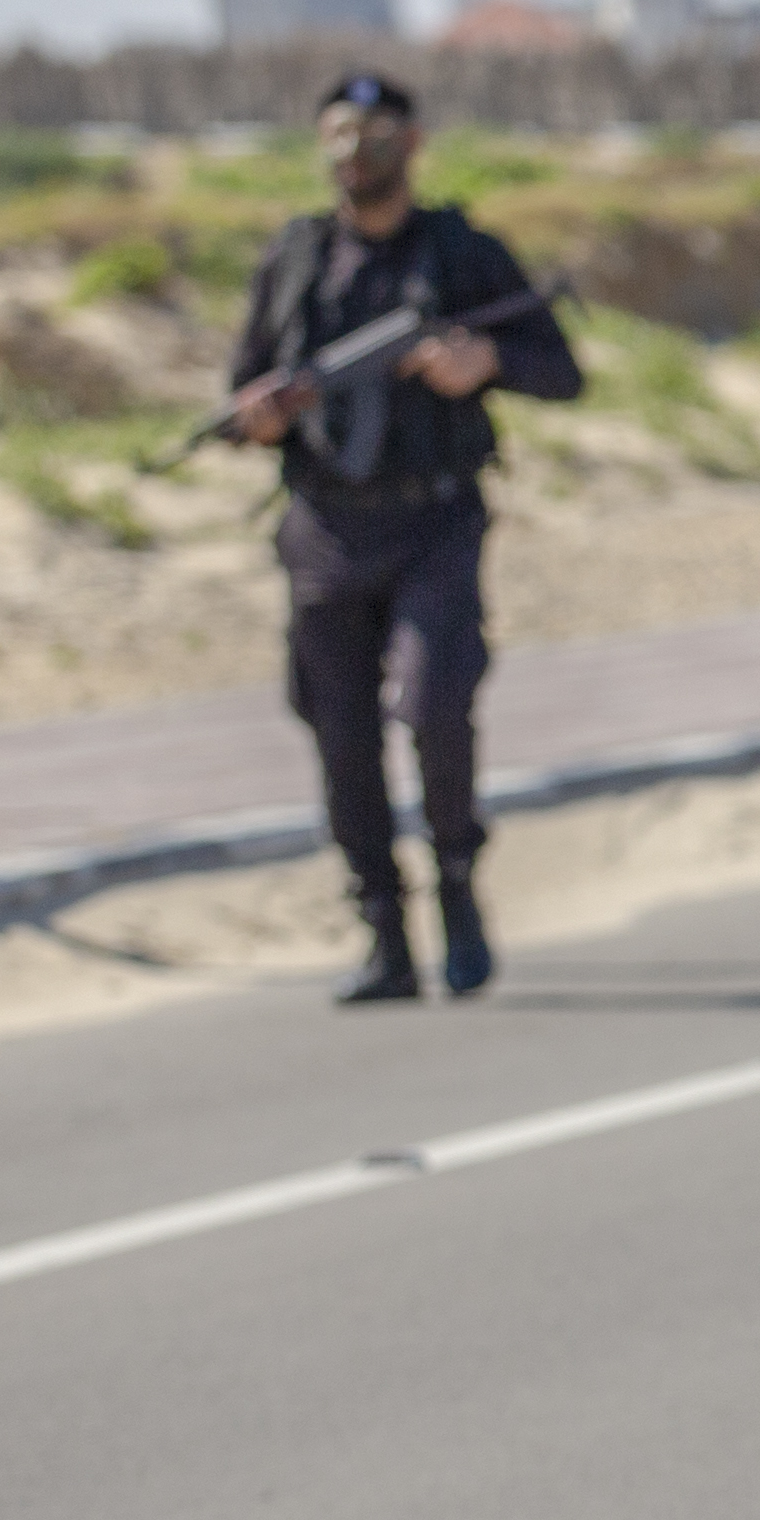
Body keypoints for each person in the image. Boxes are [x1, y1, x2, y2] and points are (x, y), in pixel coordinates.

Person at [214, 73, 585, 1005]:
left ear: (412, 143)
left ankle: (456, 884)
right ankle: (383, 929)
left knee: (433, 705)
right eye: (339, 130)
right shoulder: (298, 259)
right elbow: (242, 393)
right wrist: (255, 417)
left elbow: (561, 369)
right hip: (325, 528)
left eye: (375, 131)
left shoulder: (462, 254)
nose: (356, 149)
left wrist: (486, 362)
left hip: (435, 519)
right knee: (339, 735)